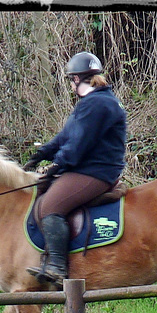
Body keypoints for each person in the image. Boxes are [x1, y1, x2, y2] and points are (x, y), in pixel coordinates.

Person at [23, 51, 127, 287]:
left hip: (95, 172)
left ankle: (58, 268)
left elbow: (78, 145)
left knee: (49, 206)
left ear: (79, 79)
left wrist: (57, 165)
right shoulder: (93, 102)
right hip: (86, 169)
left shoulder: (97, 105)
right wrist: (43, 154)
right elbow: (66, 136)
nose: (71, 86)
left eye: (72, 80)